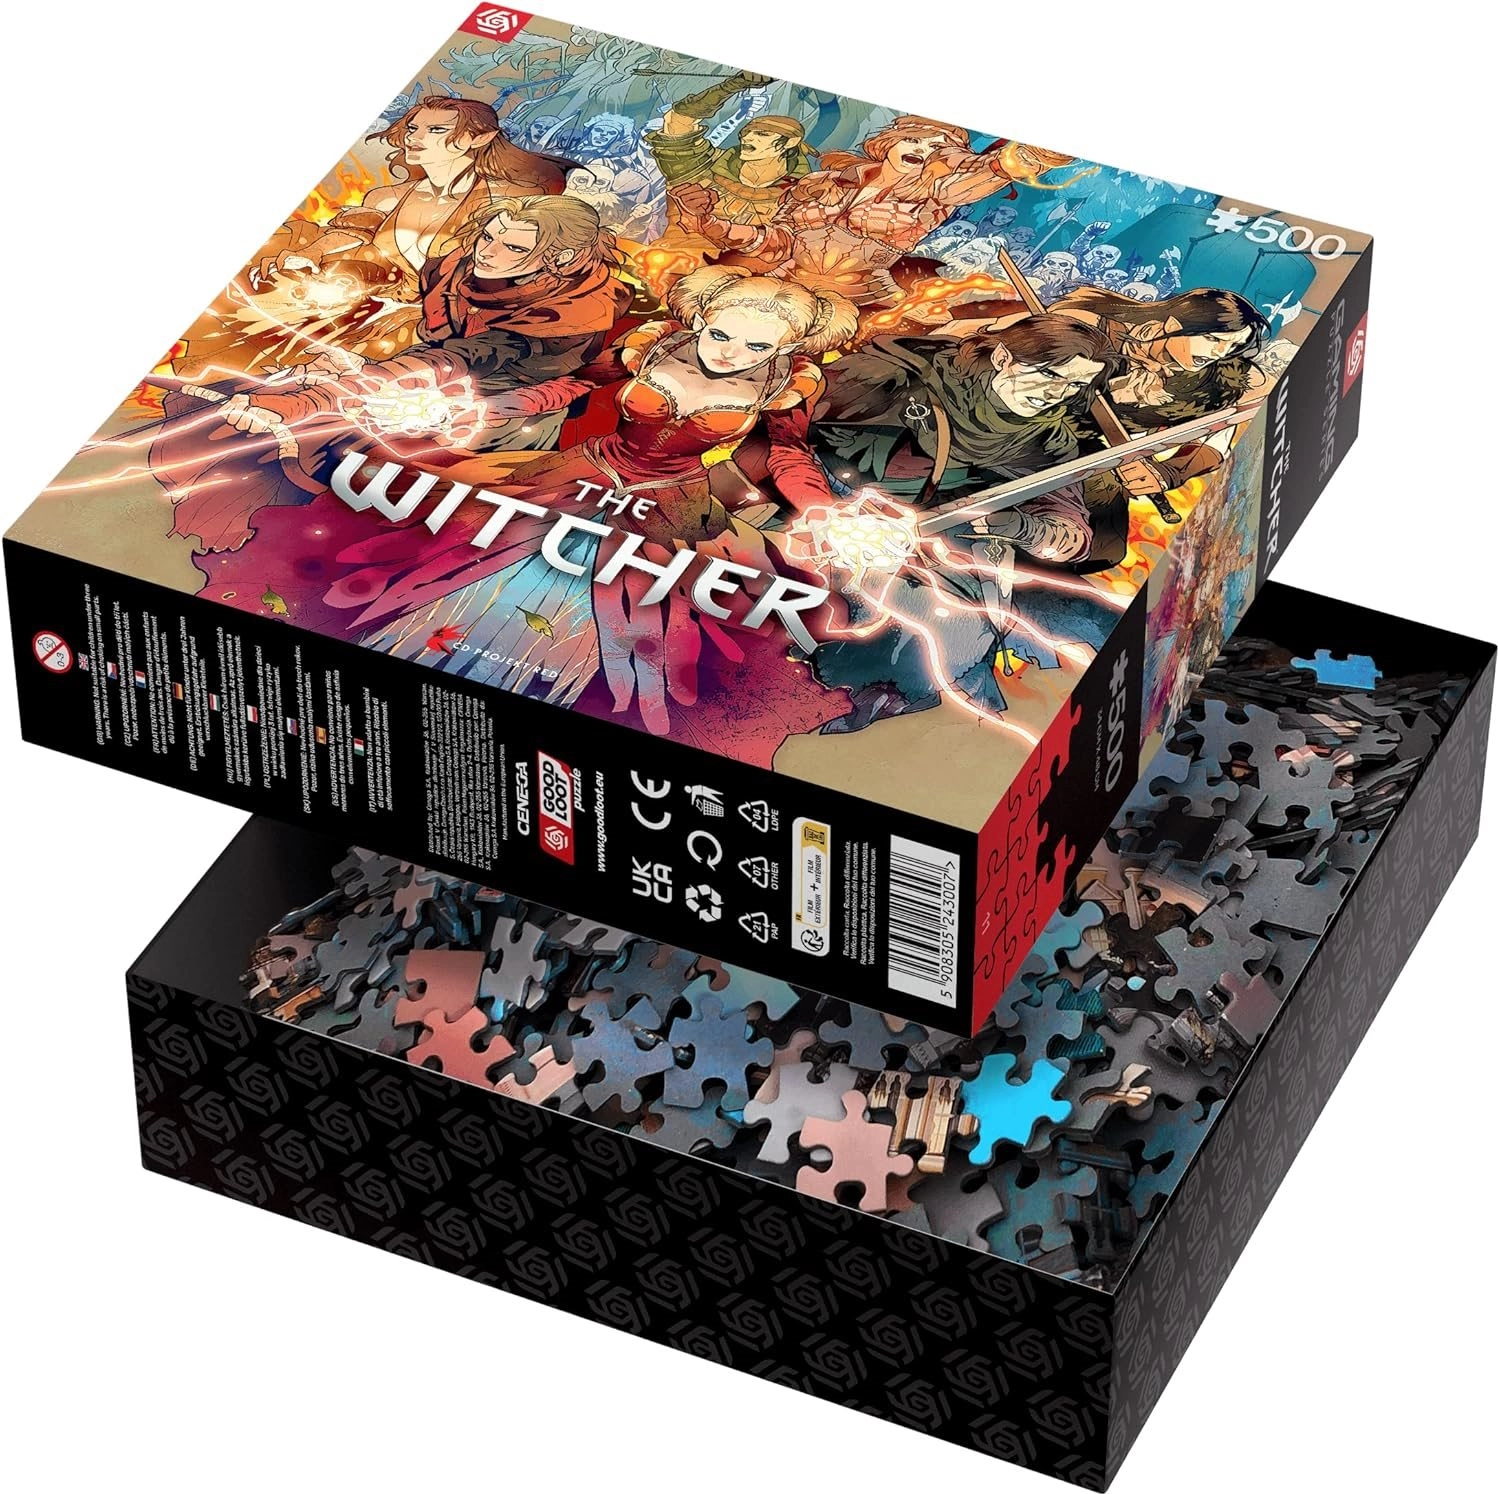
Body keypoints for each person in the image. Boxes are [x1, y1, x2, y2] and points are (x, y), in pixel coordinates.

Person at [158, 196, 628, 553]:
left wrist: (314, 399)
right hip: (424, 377)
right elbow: (434, 339)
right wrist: (350, 367)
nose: (489, 251)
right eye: (489, 236)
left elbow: (463, 358)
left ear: (561, 258)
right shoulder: (457, 267)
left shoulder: (572, 314)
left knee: (401, 496)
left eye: (514, 247)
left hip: (506, 410)